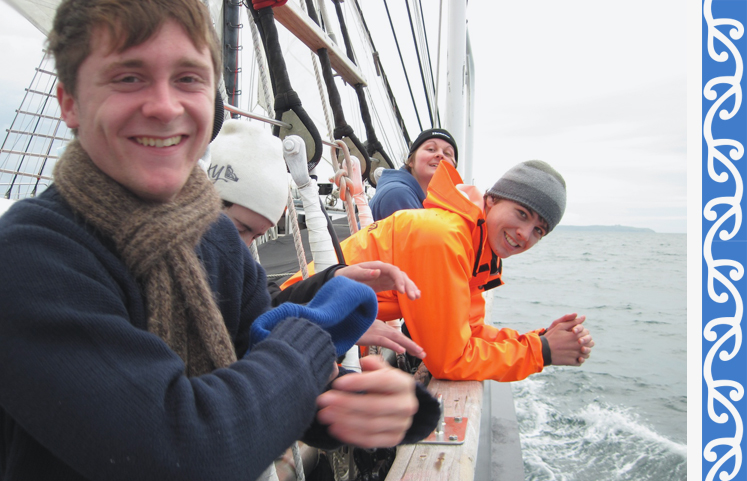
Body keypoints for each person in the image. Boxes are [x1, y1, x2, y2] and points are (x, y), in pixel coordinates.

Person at [0, 1, 438, 480]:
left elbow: (270, 379)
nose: (166, 107)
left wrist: (379, 407)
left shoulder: (214, 240)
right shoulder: (30, 257)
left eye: (189, 79)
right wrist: (315, 333)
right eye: (128, 77)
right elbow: (182, 450)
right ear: (69, 102)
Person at [283, 160, 595, 382]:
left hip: (319, 329)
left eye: (539, 230)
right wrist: (541, 352)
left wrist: (542, 339)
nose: (525, 234)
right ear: (491, 200)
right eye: (522, 214)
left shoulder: (474, 249)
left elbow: (468, 332)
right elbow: (450, 361)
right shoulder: (444, 238)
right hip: (289, 327)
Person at [208, 118, 426, 358]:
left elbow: (269, 306)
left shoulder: (240, 267)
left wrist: (334, 279)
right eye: (239, 229)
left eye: (256, 236)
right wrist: (321, 334)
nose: (245, 245)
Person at [370, 128, 458, 220]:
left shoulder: (435, 208)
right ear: (411, 161)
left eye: (448, 153)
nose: (440, 154)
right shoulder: (398, 194)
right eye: (431, 149)